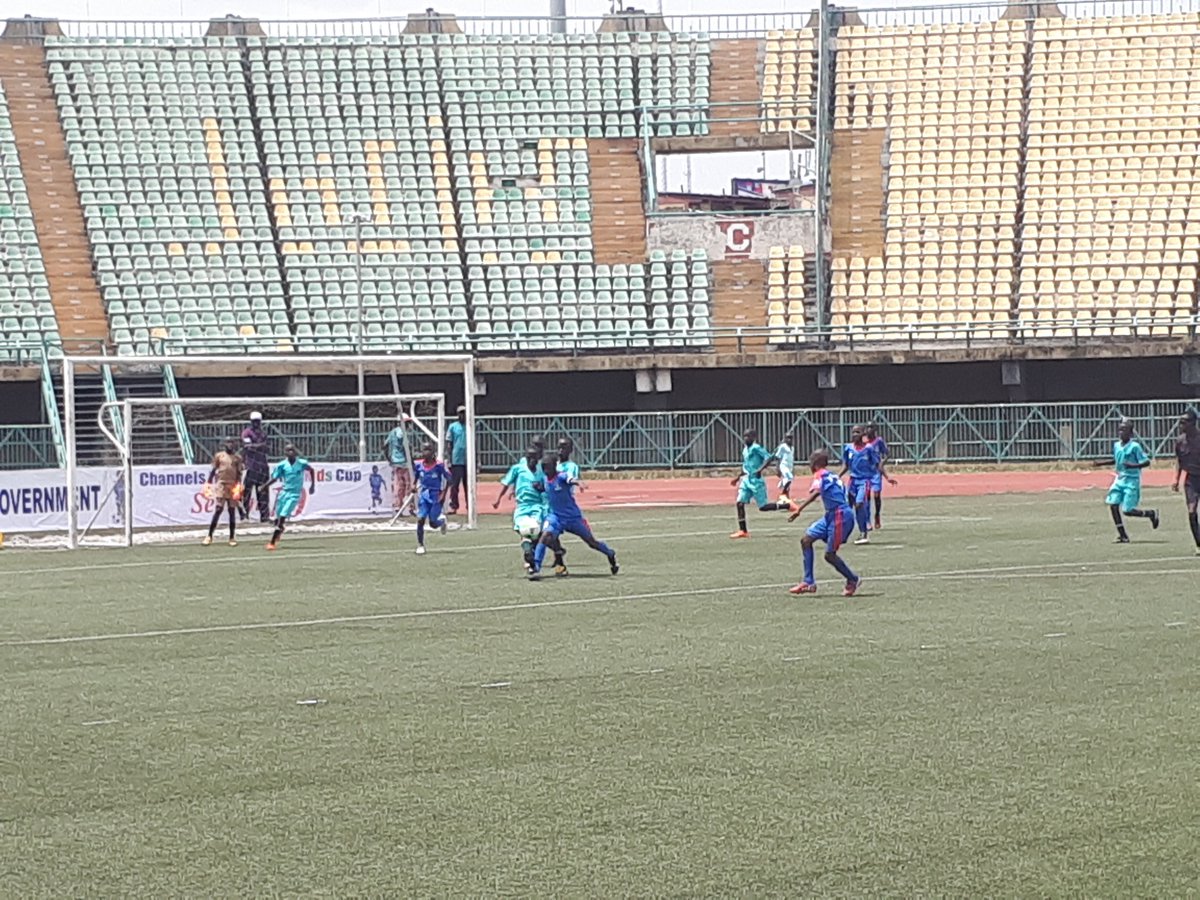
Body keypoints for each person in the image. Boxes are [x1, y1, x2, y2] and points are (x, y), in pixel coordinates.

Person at [786, 449, 863, 597]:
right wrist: (800, 509)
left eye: (811, 461)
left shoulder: (820, 475)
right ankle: (808, 581)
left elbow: (816, 489)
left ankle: (853, 579)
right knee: (806, 540)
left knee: (829, 555)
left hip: (840, 516)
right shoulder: (833, 475)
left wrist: (797, 507)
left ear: (816, 463)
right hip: (832, 515)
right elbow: (844, 494)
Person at [529, 454, 618, 579]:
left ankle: (610, 553)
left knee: (591, 542)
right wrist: (538, 488)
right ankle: (535, 568)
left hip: (573, 518)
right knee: (545, 537)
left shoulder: (561, 476)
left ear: (554, 466)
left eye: (548, 467)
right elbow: (546, 488)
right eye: (543, 468)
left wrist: (579, 482)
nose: (546, 470)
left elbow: (571, 479)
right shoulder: (545, 479)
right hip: (556, 517)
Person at [1096, 418, 1159, 543]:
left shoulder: (1135, 447)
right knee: (1113, 505)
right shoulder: (1117, 445)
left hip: (1131, 480)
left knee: (1128, 511)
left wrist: (1133, 466)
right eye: (1120, 430)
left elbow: (1146, 462)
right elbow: (1116, 459)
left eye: (1124, 430)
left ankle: (1150, 513)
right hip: (1119, 479)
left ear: (1130, 433)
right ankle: (1122, 535)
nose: (1121, 432)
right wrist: (1101, 463)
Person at [493, 446, 553, 573]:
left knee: (536, 533)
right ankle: (528, 553)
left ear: (538, 459)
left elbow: (548, 485)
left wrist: (541, 487)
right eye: (530, 458)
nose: (532, 461)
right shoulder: (518, 468)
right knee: (524, 531)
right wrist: (498, 499)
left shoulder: (541, 471)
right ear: (526, 458)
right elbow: (506, 483)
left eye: (535, 458)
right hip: (522, 506)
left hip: (537, 506)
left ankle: (532, 563)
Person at [729, 428, 790, 539]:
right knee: (739, 503)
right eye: (745, 436)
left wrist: (760, 469)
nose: (746, 438)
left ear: (754, 438)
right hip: (746, 480)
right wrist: (737, 478)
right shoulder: (745, 450)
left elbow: (768, 457)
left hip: (756, 481)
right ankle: (743, 531)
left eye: (748, 436)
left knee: (763, 507)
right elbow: (747, 466)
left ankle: (787, 505)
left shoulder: (756, 448)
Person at [840, 425, 888, 544]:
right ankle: (843, 533)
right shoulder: (848, 448)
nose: (855, 434)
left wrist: (887, 477)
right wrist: (838, 476)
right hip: (853, 481)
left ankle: (863, 533)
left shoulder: (869, 449)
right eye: (853, 432)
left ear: (862, 434)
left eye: (858, 432)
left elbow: (877, 464)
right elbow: (846, 465)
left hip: (865, 481)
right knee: (847, 507)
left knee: (859, 503)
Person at [264, 444, 315, 551]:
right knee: (277, 518)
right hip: (283, 493)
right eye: (288, 450)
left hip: (294, 494)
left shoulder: (301, 463)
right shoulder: (282, 465)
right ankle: (280, 528)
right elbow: (275, 477)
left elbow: (311, 470)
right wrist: (264, 486)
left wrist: (312, 485)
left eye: (292, 450)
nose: (291, 452)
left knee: (282, 516)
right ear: (285, 453)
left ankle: (272, 542)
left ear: (295, 452)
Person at [203, 437, 244, 546]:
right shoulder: (219, 456)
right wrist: (208, 482)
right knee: (218, 509)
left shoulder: (237, 458)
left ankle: (231, 537)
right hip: (221, 484)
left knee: (231, 511)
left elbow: (239, 474)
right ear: (225, 444)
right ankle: (209, 535)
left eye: (232, 443)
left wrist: (239, 487)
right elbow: (213, 470)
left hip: (233, 485)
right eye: (228, 443)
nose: (230, 445)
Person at [412, 441, 450, 555]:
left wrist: (443, 493)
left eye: (428, 450)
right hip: (424, 496)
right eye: (424, 450)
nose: (426, 452)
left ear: (433, 452)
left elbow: (449, 479)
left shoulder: (439, 466)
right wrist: (413, 485)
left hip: (435, 497)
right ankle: (420, 545)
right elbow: (416, 477)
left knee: (433, 523)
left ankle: (441, 522)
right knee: (420, 519)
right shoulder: (419, 465)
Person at [1172, 410, 1200, 554]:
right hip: (1192, 480)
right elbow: (1179, 460)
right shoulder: (1180, 440)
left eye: (1184, 422)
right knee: (1191, 512)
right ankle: (1199, 544)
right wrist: (1176, 479)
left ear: (1193, 423)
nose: (1180, 424)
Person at [240, 411, 271, 523]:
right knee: (246, 492)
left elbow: (267, 448)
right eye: (254, 421)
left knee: (263, 492)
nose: (256, 424)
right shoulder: (247, 432)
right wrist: (260, 446)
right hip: (250, 466)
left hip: (262, 466)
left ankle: (264, 517)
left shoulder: (263, 434)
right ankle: (245, 515)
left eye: (258, 421)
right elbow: (248, 447)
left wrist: (257, 446)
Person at [383, 414, 412, 514]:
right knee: (408, 484)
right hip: (404, 462)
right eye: (407, 422)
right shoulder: (402, 432)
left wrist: (389, 458)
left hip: (395, 462)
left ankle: (397, 506)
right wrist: (411, 460)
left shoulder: (392, 432)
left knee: (398, 484)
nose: (409, 425)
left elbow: (385, 445)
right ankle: (410, 506)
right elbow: (406, 447)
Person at [864, 422, 891, 530]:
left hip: (876, 471)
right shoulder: (863, 441)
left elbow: (887, 453)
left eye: (871, 428)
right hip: (865, 472)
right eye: (867, 427)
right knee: (866, 496)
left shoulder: (878, 441)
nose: (869, 430)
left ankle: (877, 515)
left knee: (876, 495)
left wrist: (882, 463)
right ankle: (867, 520)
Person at [446, 405, 469, 514]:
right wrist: (449, 459)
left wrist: (477, 461)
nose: (462, 415)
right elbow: (449, 443)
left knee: (468, 485)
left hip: (468, 460)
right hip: (456, 460)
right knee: (454, 485)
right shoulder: (453, 426)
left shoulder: (470, 426)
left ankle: (470, 505)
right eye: (460, 413)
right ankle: (454, 505)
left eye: (464, 413)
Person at [773, 432, 796, 503]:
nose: (789, 440)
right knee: (789, 478)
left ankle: (786, 498)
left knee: (788, 482)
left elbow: (791, 459)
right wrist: (777, 468)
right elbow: (778, 457)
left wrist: (793, 469)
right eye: (788, 438)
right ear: (785, 439)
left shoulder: (792, 448)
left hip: (789, 467)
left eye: (791, 438)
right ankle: (783, 494)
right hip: (783, 466)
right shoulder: (782, 447)